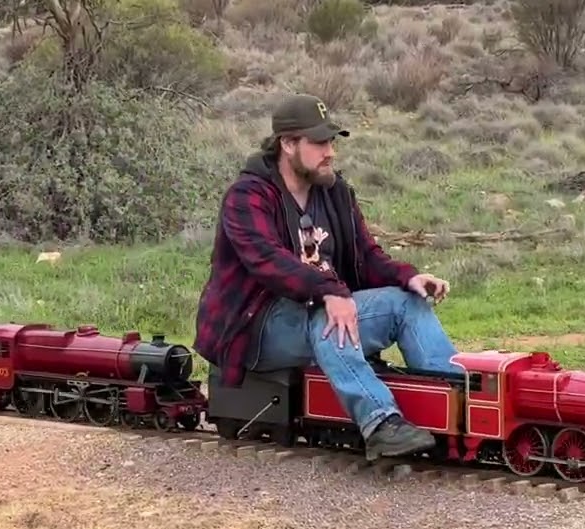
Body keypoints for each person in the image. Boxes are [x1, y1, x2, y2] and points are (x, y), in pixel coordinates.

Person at [193, 93, 460, 461]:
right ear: (288, 144)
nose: (330, 152)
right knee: (328, 317)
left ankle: (456, 406)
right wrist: (330, 292)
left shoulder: (334, 193)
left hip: (320, 305)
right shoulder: (248, 197)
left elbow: (365, 255)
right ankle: (380, 423)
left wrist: (408, 277)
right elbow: (268, 261)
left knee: (406, 303)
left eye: (332, 142)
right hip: (255, 327)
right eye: (319, 143)